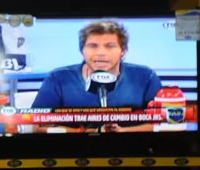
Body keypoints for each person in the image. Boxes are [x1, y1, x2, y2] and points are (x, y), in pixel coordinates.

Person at [30, 20, 162, 133]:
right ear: (82, 51)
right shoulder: (58, 78)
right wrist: (88, 132)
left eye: (110, 46)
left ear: (123, 51)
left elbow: (163, 122)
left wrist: (123, 132)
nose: (100, 53)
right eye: (93, 46)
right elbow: (38, 126)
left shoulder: (145, 77)